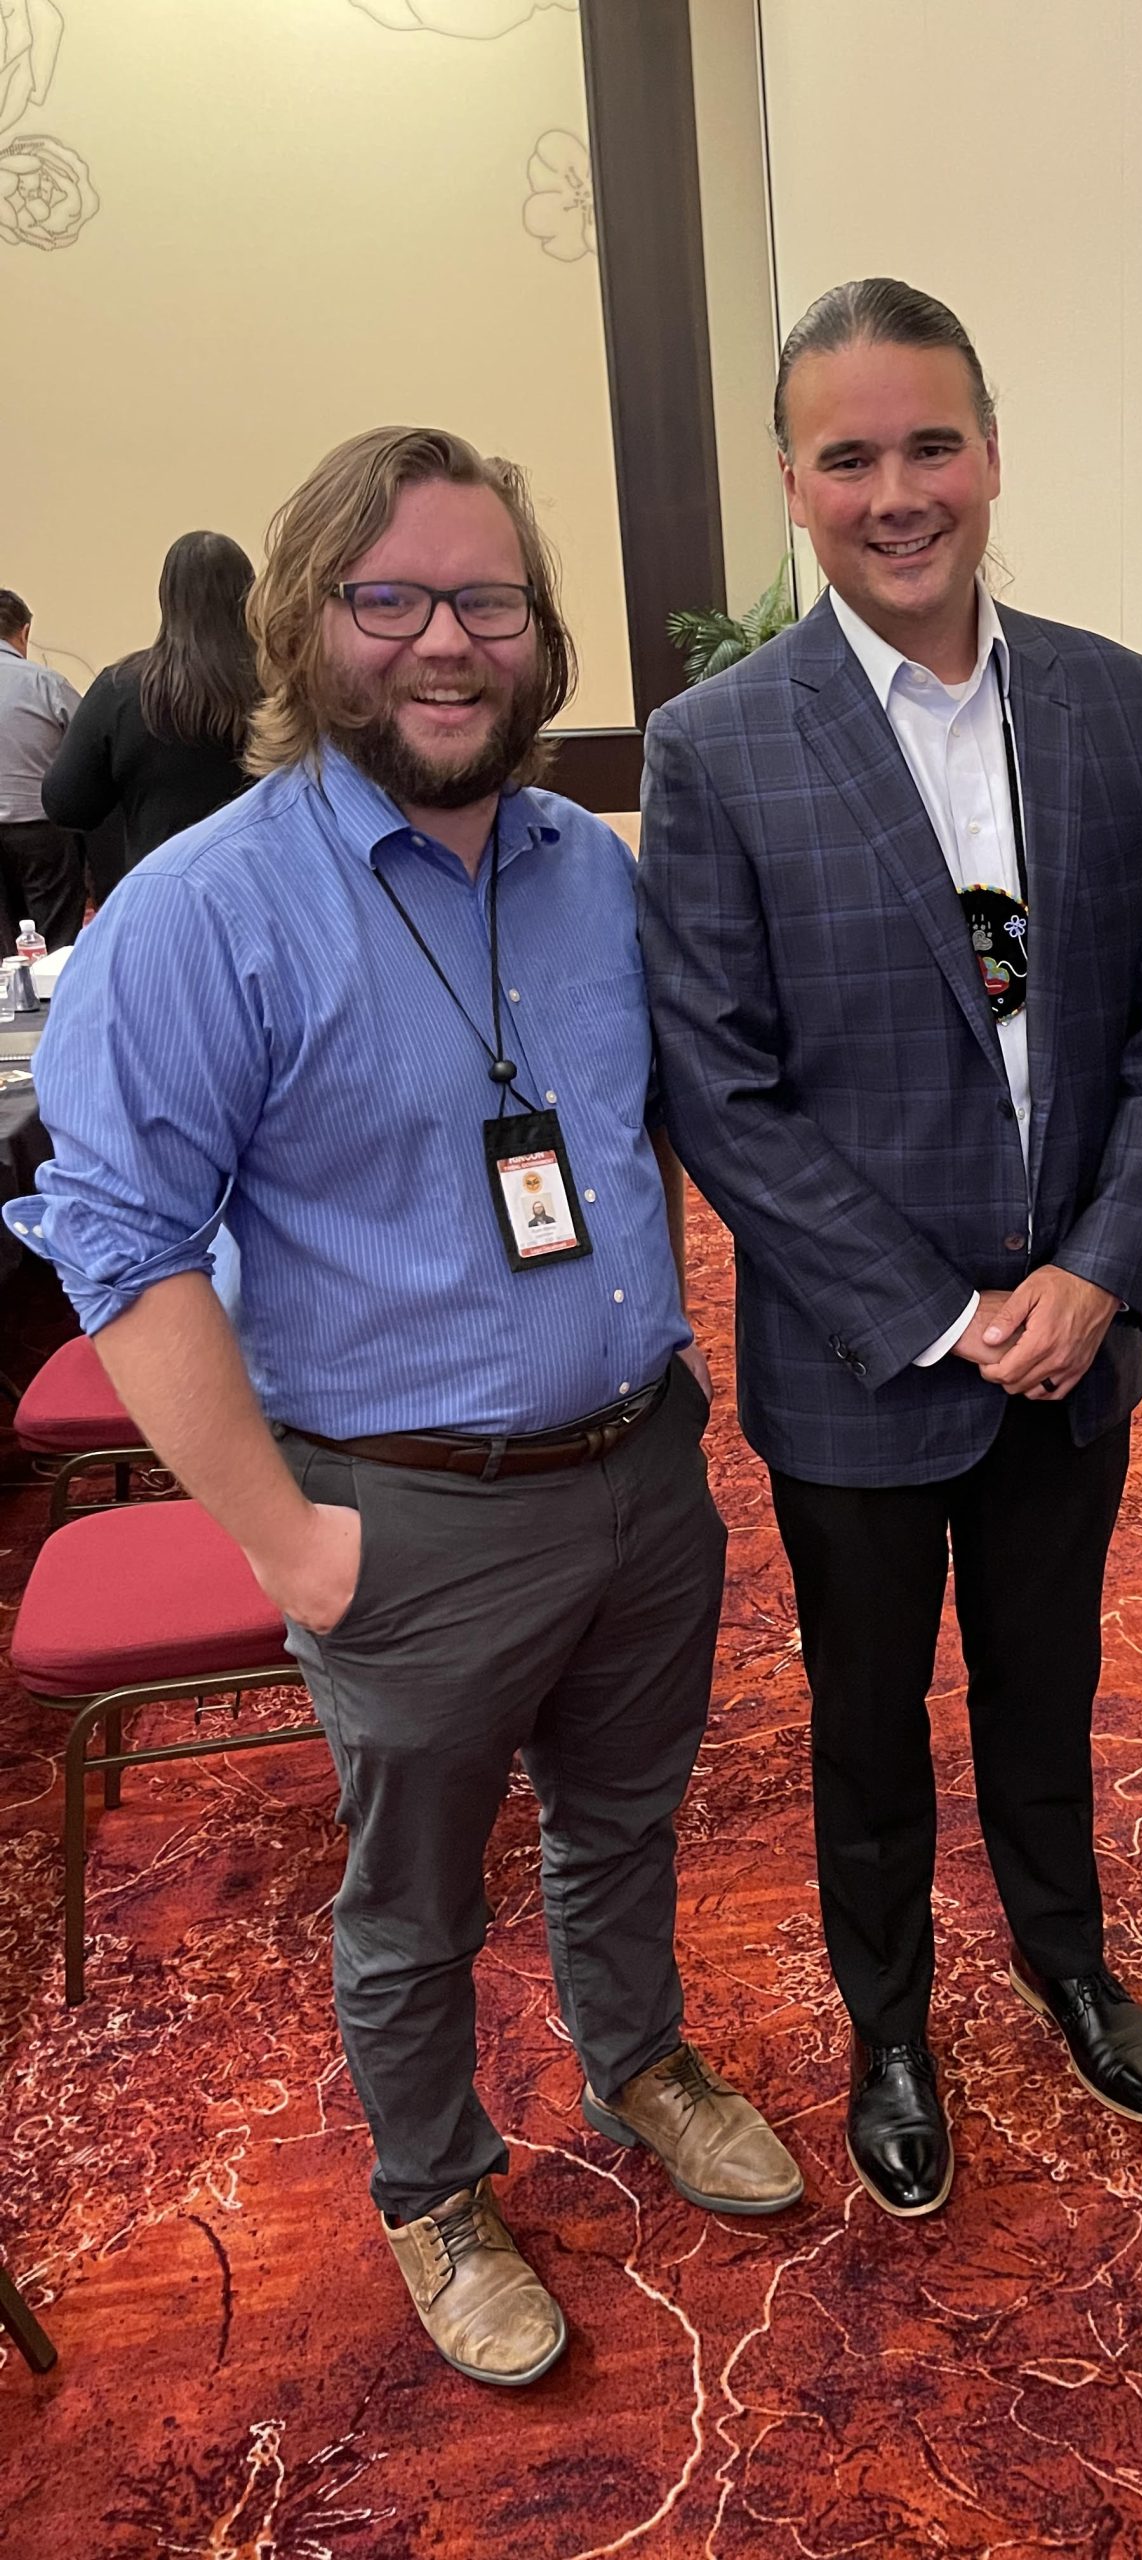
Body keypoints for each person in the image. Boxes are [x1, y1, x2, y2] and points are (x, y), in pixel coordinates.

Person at [4, 426, 801, 2384]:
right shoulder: (201, 913)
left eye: (489, 600)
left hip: (640, 1471)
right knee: (411, 1896)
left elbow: (684, 1130)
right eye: (397, 598)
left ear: (539, 639)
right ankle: (433, 2181)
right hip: (404, 1512)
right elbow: (124, 1254)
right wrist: (285, 1539)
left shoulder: (594, 874)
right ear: (312, 622)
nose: (447, 639)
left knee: (623, 1823)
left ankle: (635, 2057)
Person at [639, 280, 1142, 2219]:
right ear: (795, 481)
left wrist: (1104, 1267)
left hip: (1075, 1341)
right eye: (851, 455)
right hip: (860, 1364)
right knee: (870, 1718)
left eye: (933, 444)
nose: (900, 491)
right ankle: (891, 2018)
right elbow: (722, 1087)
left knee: (1048, 1689)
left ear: (991, 448)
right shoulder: (719, 747)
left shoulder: (1114, 698)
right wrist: (942, 1308)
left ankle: (1067, 1951)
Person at [42, 531, 258, 891]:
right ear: (249, 595)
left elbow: (66, 803)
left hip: (163, 892)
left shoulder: (122, 687)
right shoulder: (282, 683)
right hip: (265, 885)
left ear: (166, 598)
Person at [0, 586, 86, 950]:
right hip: (41, 830)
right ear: (25, 632)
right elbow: (89, 748)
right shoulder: (46, 683)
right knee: (54, 937)